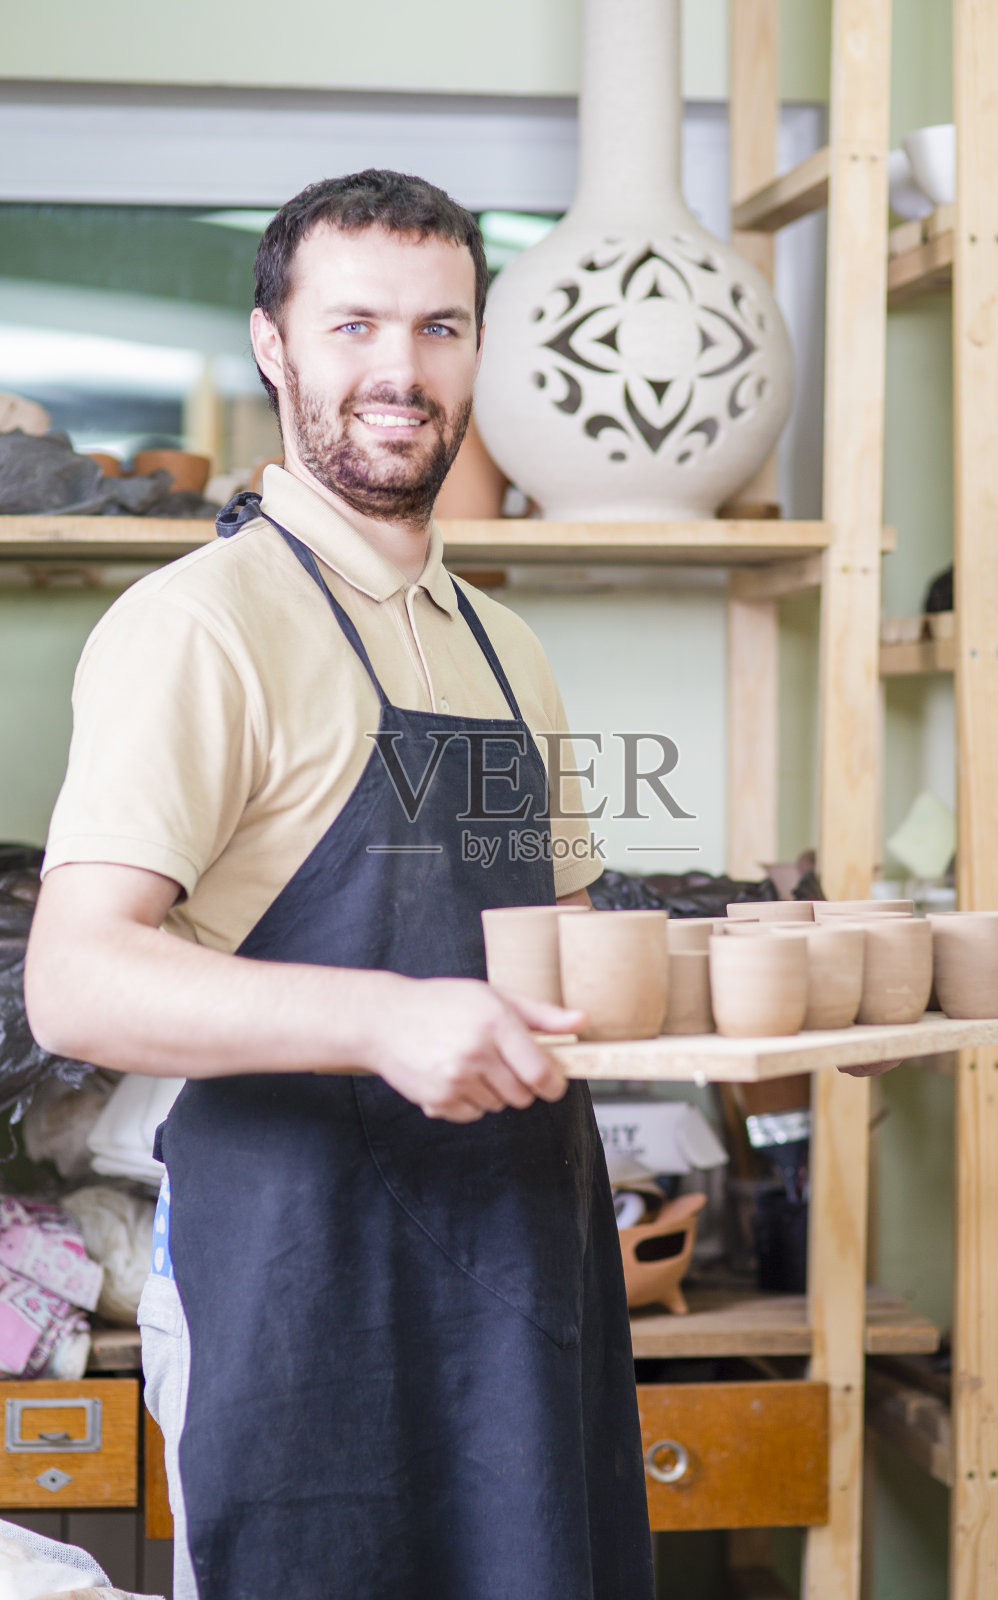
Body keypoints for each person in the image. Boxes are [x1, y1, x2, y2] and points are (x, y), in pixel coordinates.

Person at [26, 171, 655, 1600]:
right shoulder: (195, 630)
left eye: (441, 328)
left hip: (518, 1278)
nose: (400, 369)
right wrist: (383, 1019)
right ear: (273, 345)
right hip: (304, 1293)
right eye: (355, 323)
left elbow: (555, 958)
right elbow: (77, 978)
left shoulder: (507, 650)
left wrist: (767, 1008)